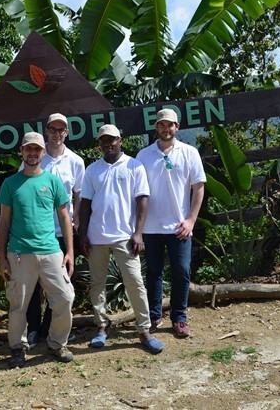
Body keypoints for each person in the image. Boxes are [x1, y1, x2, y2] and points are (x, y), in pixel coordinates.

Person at [79, 124, 164, 354]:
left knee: (135, 282)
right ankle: (102, 327)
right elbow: (85, 204)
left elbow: (142, 201)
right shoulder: (92, 170)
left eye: (112, 140)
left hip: (125, 237)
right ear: (99, 144)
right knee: (97, 284)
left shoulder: (134, 166)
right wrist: (83, 233)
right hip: (96, 237)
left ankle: (144, 329)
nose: (108, 144)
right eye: (103, 141)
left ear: (120, 140)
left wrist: (138, 233)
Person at [0, 131, 76, 368]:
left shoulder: (52, 181)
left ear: (43, 152)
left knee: (64, 297)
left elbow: (65, 217)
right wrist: (2, 257)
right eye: (28, 149)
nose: (32, 153)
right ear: (21, 151)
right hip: (20, 253)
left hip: (51, 250)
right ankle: (18, 348)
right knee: (18, 304)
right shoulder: (11, 183)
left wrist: (69, 251)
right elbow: (3, 222)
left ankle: (56, 343)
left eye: (37, 149)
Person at [136, 108, 206, 337]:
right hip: (151, 227)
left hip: (180, 227)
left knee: (181, 271)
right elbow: (136, 192)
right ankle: (154, 316)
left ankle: (179, 317)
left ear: (177, 127)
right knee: (154, 272)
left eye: (170, 125)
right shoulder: (143, 155)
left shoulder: (189, 152)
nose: (166, 129)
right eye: (161, 125)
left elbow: (199, 188)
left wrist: (191, 220)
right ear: (156, 128)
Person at [22, 113, 85, 349]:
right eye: (53, 129)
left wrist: (76, 218)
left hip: (62, 233)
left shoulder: (76, 161)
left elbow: (79, 194)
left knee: (61, 284)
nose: (57, 134)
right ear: (46, 130)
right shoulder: (36, 156)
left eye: (61, 130)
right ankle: (33, 329)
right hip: (36, 233)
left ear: (66, 132)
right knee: (33, 285)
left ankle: (51, 328)